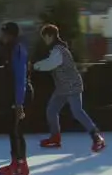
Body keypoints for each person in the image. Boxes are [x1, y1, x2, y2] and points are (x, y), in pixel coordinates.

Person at [34, 24, 105, 152]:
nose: (44, 40)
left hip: (72, 85)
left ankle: (96, 136)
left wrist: (35, 66)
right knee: (51, 110)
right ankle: (55, 137)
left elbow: (51, 64)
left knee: (77, 111)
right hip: (62, 87)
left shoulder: (59, 50)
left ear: (50, 36)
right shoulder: (56, 49)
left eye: (45, 37)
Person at [0, 22, 33, 175]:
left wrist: (19, 103)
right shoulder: (8, 48)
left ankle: (22, 167)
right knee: (12, 131)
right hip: (11, 95)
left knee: (18, 131)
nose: (2, 36)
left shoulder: (18, 49)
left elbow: (20, 78)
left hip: (20, 95)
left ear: (12, 35)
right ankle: (14, 163)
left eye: (5, 33)